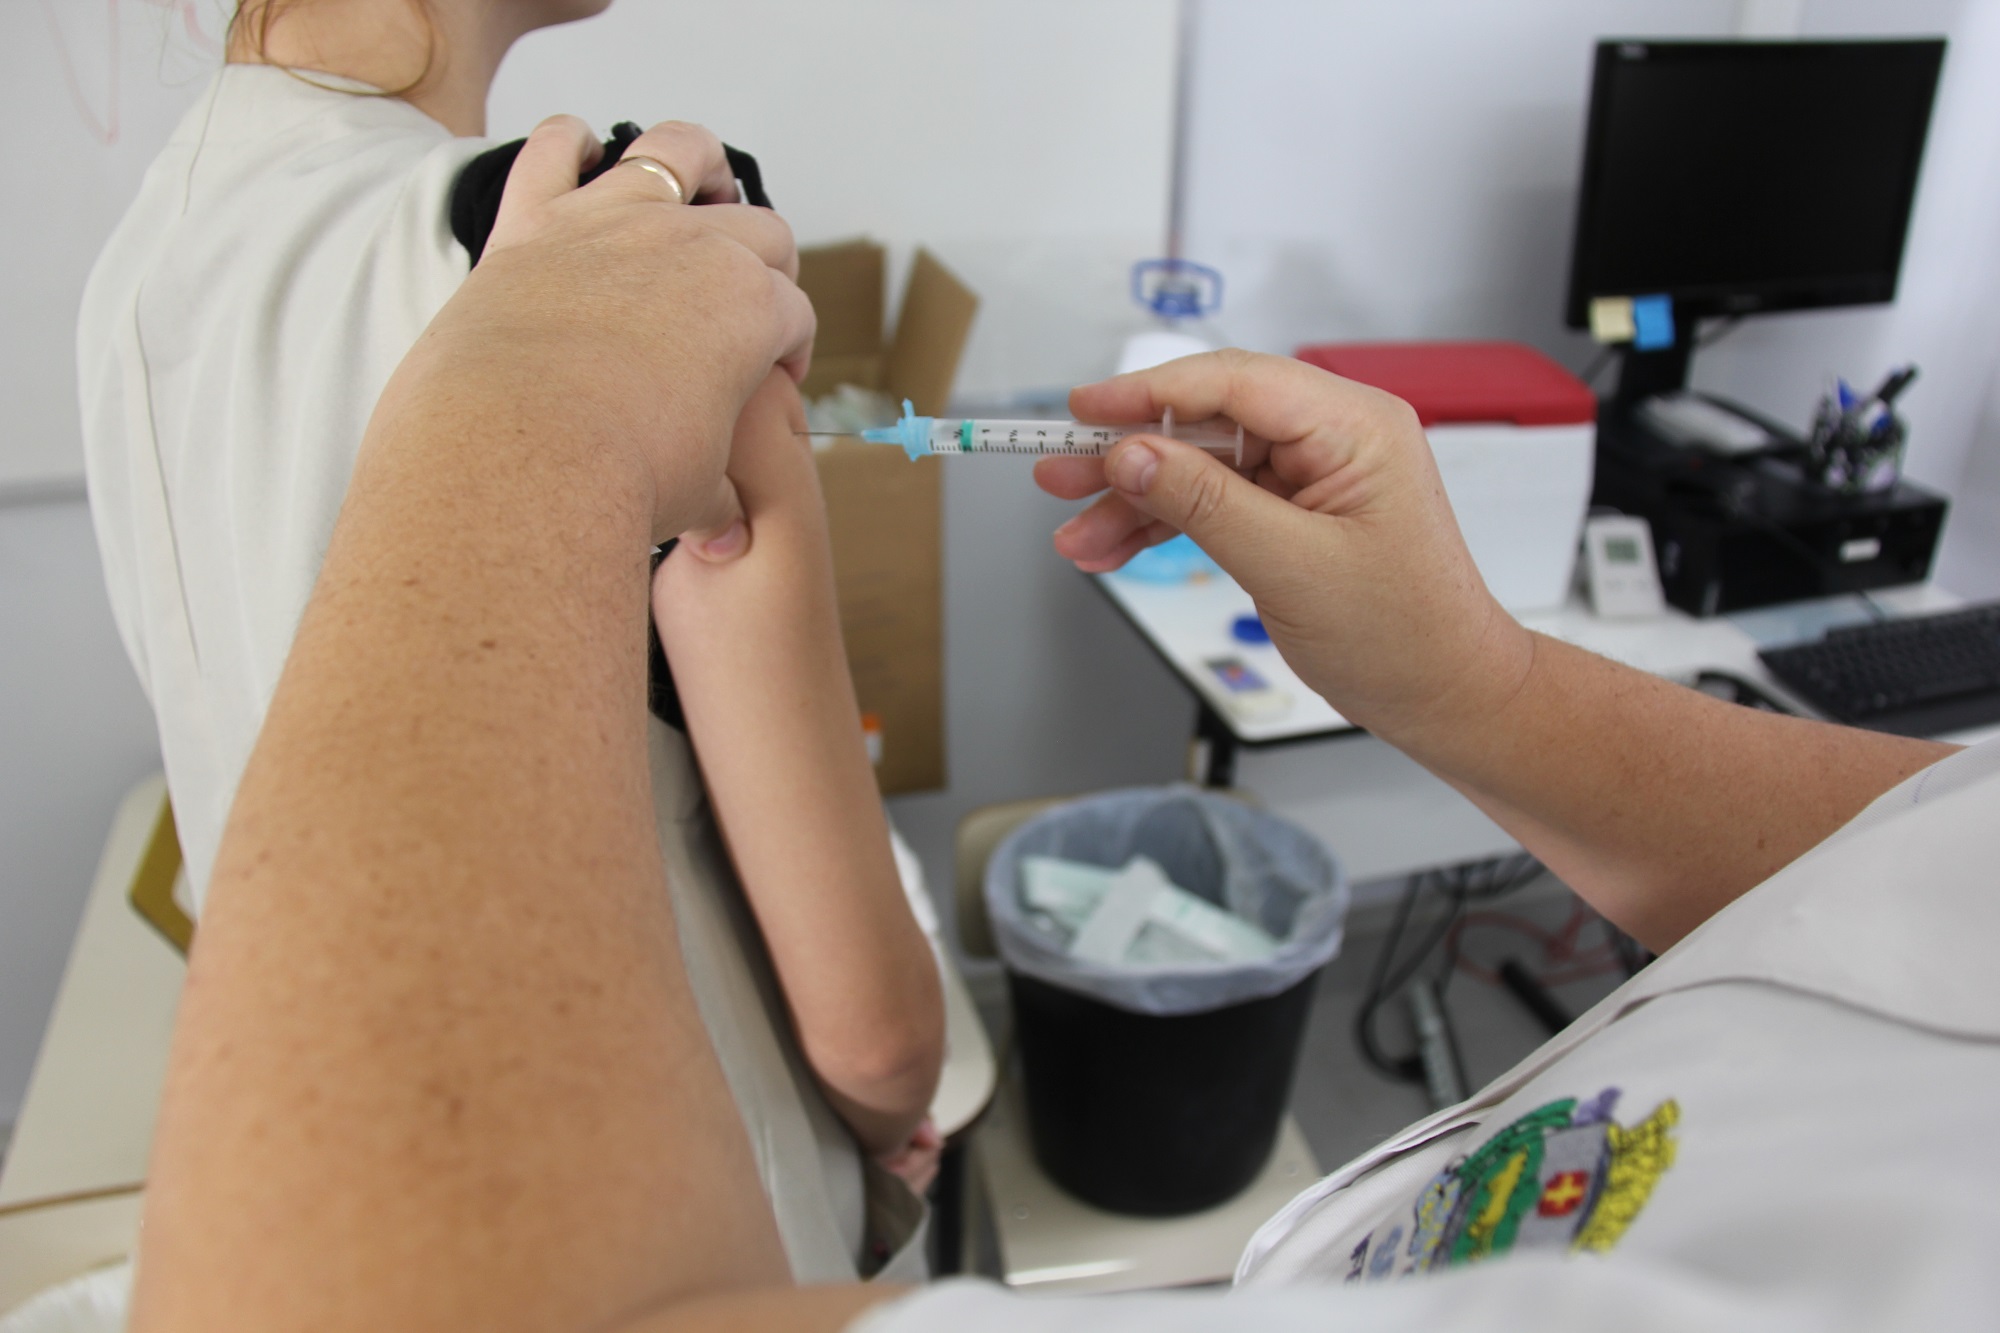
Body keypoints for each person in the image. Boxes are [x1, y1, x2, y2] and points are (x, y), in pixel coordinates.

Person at [118, 99, 2000, 1330]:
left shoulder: (170, 252)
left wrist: (519, 413)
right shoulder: (627, 225)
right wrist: (1473, 679)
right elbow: (874, 1031)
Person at [77, 0, 942, 1282]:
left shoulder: (142, 263)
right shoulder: (629, 243)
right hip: (680, 1205)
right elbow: (874, 1035)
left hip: (338, 1179)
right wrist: (886, 1127)